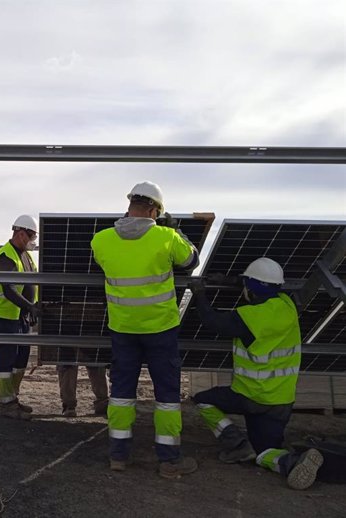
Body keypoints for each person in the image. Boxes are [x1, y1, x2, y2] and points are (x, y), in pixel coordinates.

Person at [90, 181, 199, 478]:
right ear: (155, 210)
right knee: (166, 396)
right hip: (161, 329)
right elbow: (191, 260)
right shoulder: (166, 237)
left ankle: (118, 455)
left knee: (122, 393)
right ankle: (168, 460)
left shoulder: (101, 240)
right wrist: (175, 229)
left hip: (123, 329)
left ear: (129, 206)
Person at [189, 257, 324, 490]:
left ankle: (236, 443)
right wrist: (232, 280)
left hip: (250, 396)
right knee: (264, 452)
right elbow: (262, 285)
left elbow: (212, 321)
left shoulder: (249, 318)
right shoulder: (286, 304)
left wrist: (199, 293)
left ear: (250, 289)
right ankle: (289, 462)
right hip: (281, 401)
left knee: (203, 401)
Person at [0, 214, 41, 420]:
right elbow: (8, 290)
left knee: (21, 358)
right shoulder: (4, 256)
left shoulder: (25, 255)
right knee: (5, 359)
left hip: (20, 316)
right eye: (31, 236)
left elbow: (30, 283)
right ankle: (6, 403)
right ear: (19, 233)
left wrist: (30, 309)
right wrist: (29, 307)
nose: (32, 241)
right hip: (3, 316)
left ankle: (13, 398)